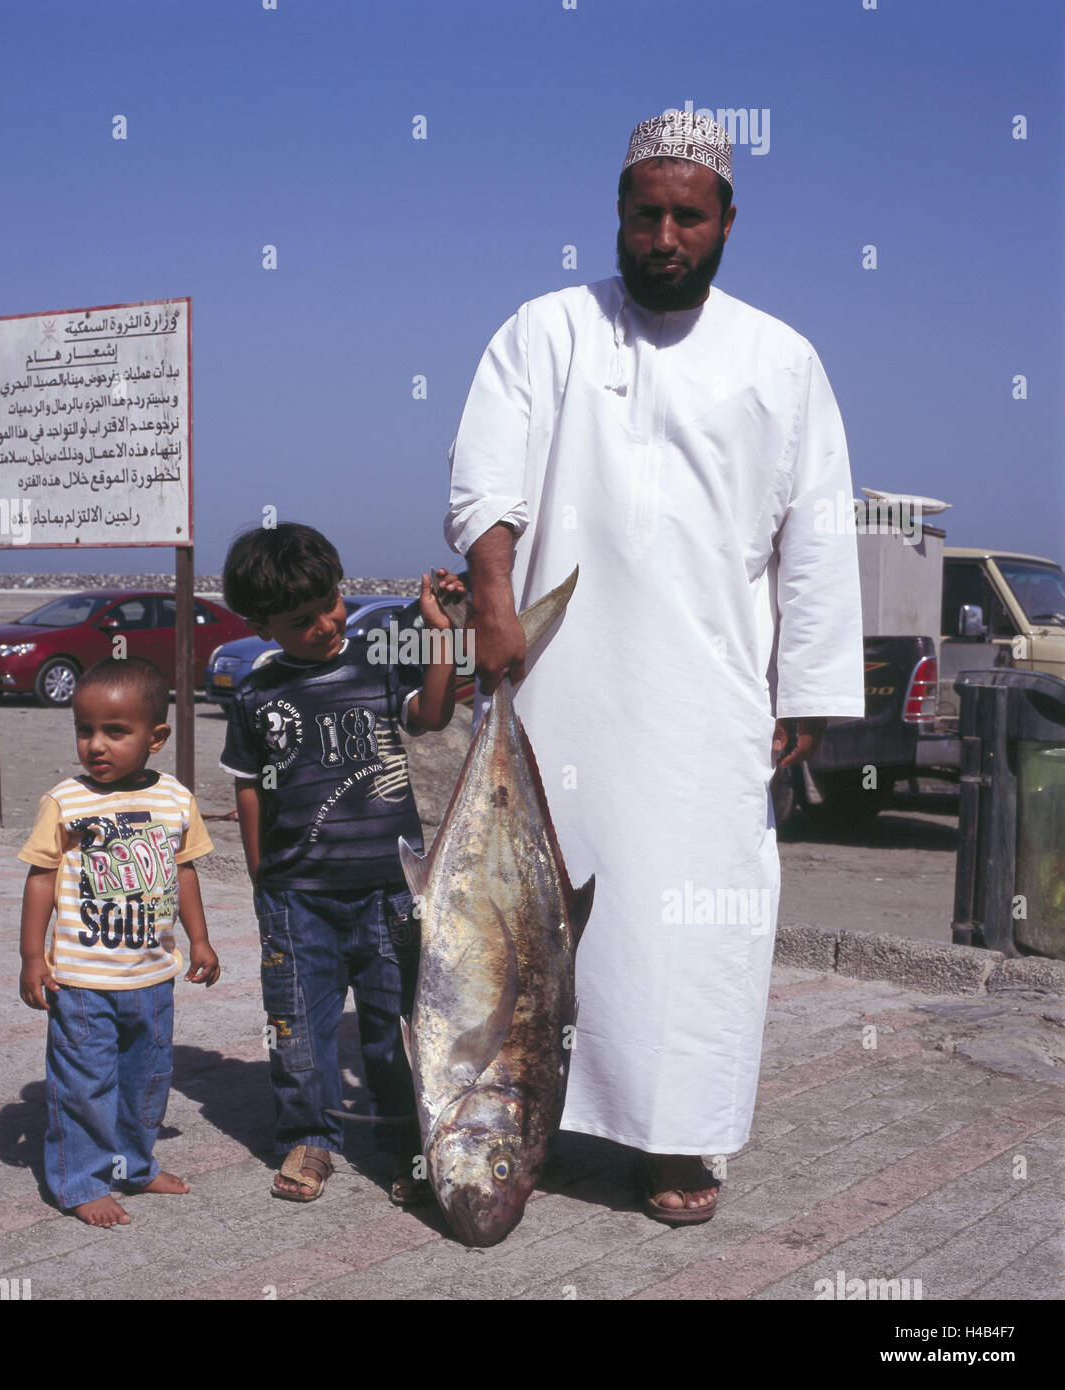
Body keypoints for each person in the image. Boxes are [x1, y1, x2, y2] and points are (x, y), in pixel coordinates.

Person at [445, 111, 865, 1223]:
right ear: (618, 215)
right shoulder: (544, 332)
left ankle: (676, 1139)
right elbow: (486, 478)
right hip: (554, 686)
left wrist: (811, 691)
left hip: (706, 698)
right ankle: (520, 1121)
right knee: (527, 919)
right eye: (647, 214)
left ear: (728, 220)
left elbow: (817, 538)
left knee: (691, 925)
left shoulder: (781, 358)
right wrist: (493, 595)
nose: (665, 236)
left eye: (689, 215)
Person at [219, 522, 464, 1204]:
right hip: (298, 900)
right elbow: (246, 782)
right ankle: (308, 1136)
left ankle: (406, 1145)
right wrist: (261, 871)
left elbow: (436, 714)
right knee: (298, 1026)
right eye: (301, 621)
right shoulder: (254, 692)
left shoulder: (378, 661)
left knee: (396, 1028)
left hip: (391, 891)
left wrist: (440, 632)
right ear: (262, 627)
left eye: (331, 602)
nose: (326, 624)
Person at [17, 657, 221, 1227]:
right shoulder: (66, 802)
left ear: (155, 737)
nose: (96, 745)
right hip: (83, 982)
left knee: (147, 1080)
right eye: (85, 730)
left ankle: (134, 1163)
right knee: (84, 1085)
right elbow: (39, 877)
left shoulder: (176, 800)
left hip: (153, 977)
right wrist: (33, 955)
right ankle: (79, 1181)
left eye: (115, 731)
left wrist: (199, 939)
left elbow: (184, 872)